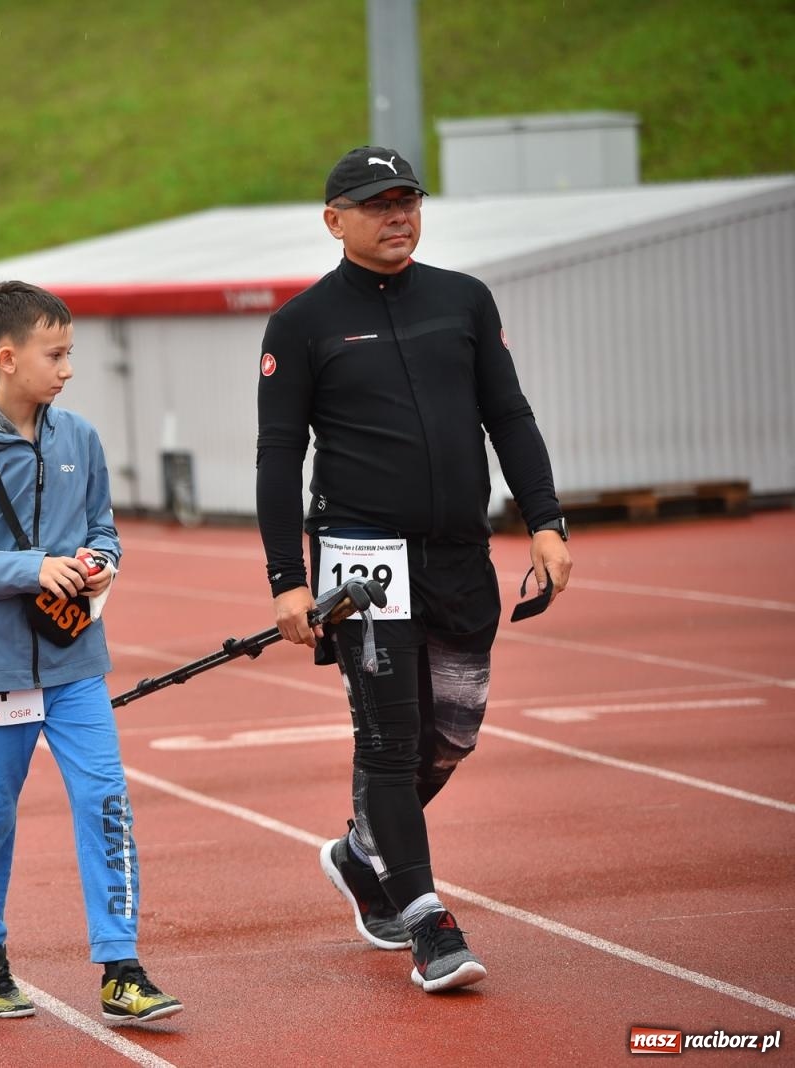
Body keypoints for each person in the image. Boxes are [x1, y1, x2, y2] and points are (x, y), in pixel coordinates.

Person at [254, 146, 573, 993]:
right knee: (389, 740)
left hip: (461, 551)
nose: (398, 215)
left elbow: (509, 413)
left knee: (455, 731)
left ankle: (363, 850)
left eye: (408, 200)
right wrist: (288, 580)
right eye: (377, 204)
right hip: (363, 559)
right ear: (335, 220)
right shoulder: (301, 324)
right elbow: (278, 457)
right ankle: (428, 921)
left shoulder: (464, 300)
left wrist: (546, 521)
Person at [0, 281, 182, 1025]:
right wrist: (31, 567)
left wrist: (98, 563)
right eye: (55, 354)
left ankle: (122, 967)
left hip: (75, 666)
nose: (68, 369)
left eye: (71, 353)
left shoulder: (81, 440)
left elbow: (104, 531)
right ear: (8, 358)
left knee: (107, 803)